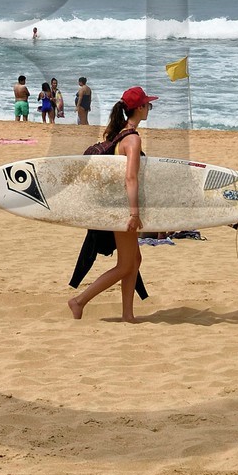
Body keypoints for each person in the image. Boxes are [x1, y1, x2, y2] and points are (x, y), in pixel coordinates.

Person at [68, 86, 157, 323]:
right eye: (147, 104)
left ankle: (127, 314)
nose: (149, 107)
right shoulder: (132, 139)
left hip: (115, 204)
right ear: (139, 108)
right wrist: (134, 213)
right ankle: (79, 301)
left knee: (134, 261)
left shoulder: (118, 134)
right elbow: (130, 177)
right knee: (126, 264)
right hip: (121, 208)